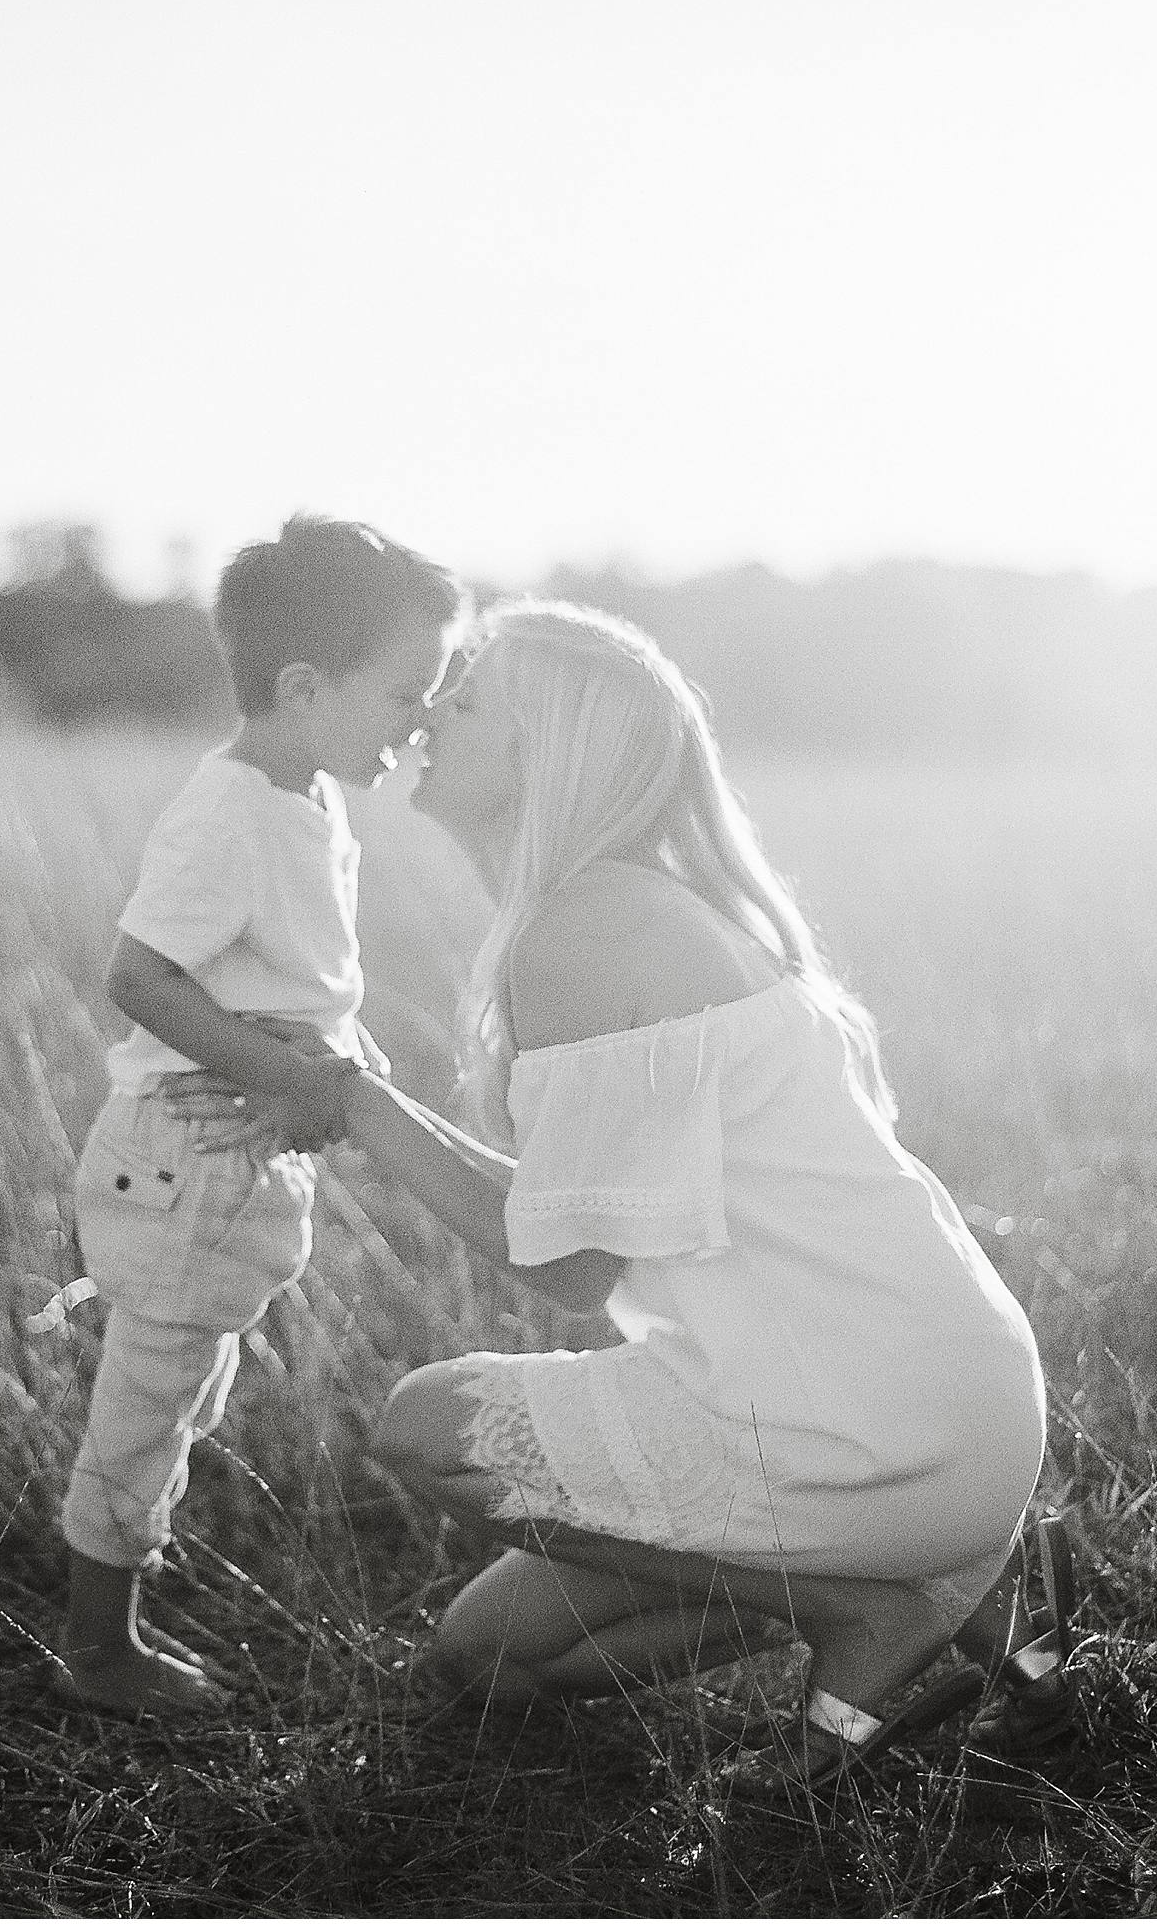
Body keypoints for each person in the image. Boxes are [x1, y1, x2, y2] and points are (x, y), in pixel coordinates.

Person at [299, 600, 1065, 1797]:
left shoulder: (584, 928)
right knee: (487, 1654)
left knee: (423, 1424)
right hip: (916, 1401)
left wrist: (355, 1105)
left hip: (858, 1417)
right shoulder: (626, 909)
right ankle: (942, 1592)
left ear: (547, 753)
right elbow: (588, 1218)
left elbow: (564, 1269)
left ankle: (857, 1611)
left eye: (469, 696)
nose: (432, 711)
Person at [51, 515, 465, 1718]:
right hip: (185, 1155)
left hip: (231, 1164)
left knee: (185, 1385)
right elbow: (138, 976)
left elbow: (286, 979)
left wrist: (333, 1052)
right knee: (147, 1397)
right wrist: (286, 1079)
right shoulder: (232, 809)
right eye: (404, 691)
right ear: (301, 686)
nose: (420, 718)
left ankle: (123, 1591)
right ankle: (97, 1651)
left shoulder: (306, 797)